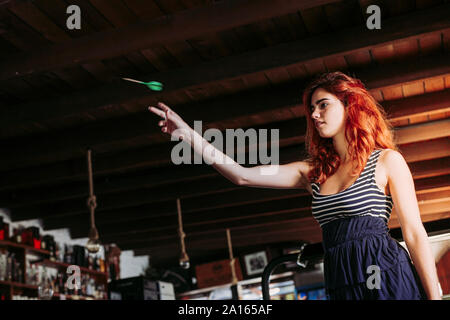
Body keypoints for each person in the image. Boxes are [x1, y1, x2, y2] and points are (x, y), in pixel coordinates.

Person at [148, 71, 441, 300]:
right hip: (340, 278)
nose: (314, 115)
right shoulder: (311, 172)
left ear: (350, 104)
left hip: (386, 272)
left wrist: (435, 296)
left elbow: (414, 234)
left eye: (323, 105)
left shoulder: (387, 160)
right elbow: (242, 175)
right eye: (312, 108)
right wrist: (188, 135)